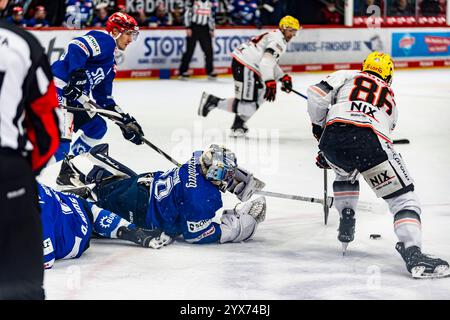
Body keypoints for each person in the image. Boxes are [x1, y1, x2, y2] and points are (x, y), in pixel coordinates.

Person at [306, 51, 449, 279]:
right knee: (404, 198)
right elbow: (381, 133)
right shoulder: (390, 97)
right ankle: (413, 251)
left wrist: (319, 129)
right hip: (370, 139)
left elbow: (315, 95)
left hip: (332, 138)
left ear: (365, 66)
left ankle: (347, 213)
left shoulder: (347, 75)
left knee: (345, 172)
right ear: (389, 75)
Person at [56, 143, 266, 245]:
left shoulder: (197, 159)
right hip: (140, 212)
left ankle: (84, 177)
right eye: (225, 175)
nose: (227, 178)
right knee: (98, 211)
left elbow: (214, 164)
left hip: (141, 186)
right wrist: (242, 226)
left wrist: (241, 180)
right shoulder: (202, 200)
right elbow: (196, 234)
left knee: (114, 185)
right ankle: (78, 191)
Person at [0, 0, 60, 299]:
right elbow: (49, 130)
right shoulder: (23, 44)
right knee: (20, 286)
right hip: (8, 172)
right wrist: (24, 172)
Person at [51, 11, 144, 167]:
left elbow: (104, 99)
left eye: (132, 35)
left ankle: (71, 164)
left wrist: (124, 120)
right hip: (59, 89)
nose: (130, 39)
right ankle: (22, 177)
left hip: (74, 97)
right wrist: (76, 73)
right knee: (60, 148)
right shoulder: (106, 41)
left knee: (97, 127)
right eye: (128, 33)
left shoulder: (110, 66)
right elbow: (77, 46)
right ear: (115, 31)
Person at [198, 15, 299, 136]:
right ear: (283, 28)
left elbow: (269, 61)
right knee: (248, 104)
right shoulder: (278, 40)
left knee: (260, 96)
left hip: (247, 65)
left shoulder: (276, 36)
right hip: (246, 65)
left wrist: (282, 77)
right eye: (291, 30)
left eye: (295, 31)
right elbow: (266, 62)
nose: (292, 34)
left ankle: (238, 124)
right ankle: (213, 102)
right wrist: (270, 81)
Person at [39, 183, 169, 269]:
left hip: (74, 238)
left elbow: (46, 261)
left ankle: (125, 227)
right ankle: (126, 228)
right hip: (72, 205)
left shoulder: (38, 213)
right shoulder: (29, 187)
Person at [179, 0, 217, 80]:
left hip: (205, 28)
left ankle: (210, 71)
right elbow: (187, 14)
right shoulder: (193, 1)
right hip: (194, 27)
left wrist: (212, 29)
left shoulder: (209, 3)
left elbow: (211, 17)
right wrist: (188, 27)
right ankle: (183, 71)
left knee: (209, 51)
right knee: (190, 50)